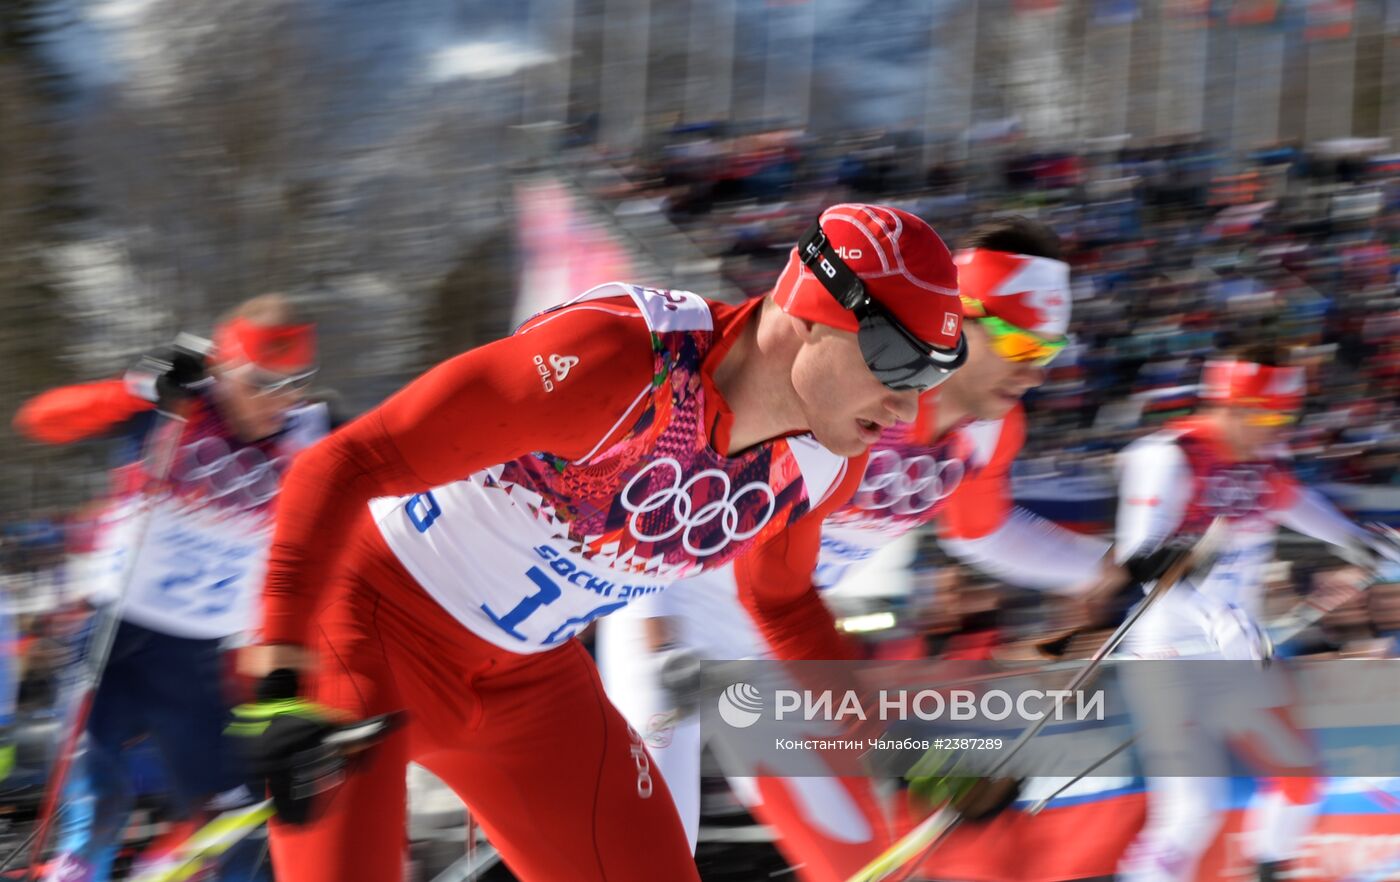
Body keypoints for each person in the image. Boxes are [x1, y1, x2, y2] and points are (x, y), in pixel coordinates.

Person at [232, 204, 970, 882]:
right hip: (368, 634)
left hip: (528, 684)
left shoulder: (826, 466)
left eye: (934, 373)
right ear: (815, 313)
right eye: (898, 362)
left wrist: (880, 736)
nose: (908, 403)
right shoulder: (617, 362)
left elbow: (777, 597)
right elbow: (342, 464)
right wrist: (277, 686)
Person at [596, 215, 1127, 882]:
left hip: (780, 644)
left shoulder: (993, 429)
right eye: (1021, 346)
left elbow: (983, 532)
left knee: (872, 863)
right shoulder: (856, 397)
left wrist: (1107, 566)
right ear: (960, 318)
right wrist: (654, 627)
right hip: (674, 604)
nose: (1035, 374)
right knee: (650, 854)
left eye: (1049, 353)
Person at [13, 294, 325, 882]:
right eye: (261, 382)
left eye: (295, 382)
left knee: (238, 828)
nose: (280, 400)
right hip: (112, 643)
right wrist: (132, 389)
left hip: (199, 665)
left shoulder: (309, 435)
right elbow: (40, 419)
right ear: (223, 369)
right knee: (99, 812)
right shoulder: (174, 406)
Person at [1113, 345, 1400, 882]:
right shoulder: (1170, 456)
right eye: (1266, 416)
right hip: (1170, 655)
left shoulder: (1262, 459)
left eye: (1285, 418)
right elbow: (1142, 562)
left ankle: (1266, 873)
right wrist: (1216, 617)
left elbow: (1296, 502)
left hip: (1237, 657)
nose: (1276, 430)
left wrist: (1361, 543)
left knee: (1299, 783)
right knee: (1191, 812)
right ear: (1229, 404)